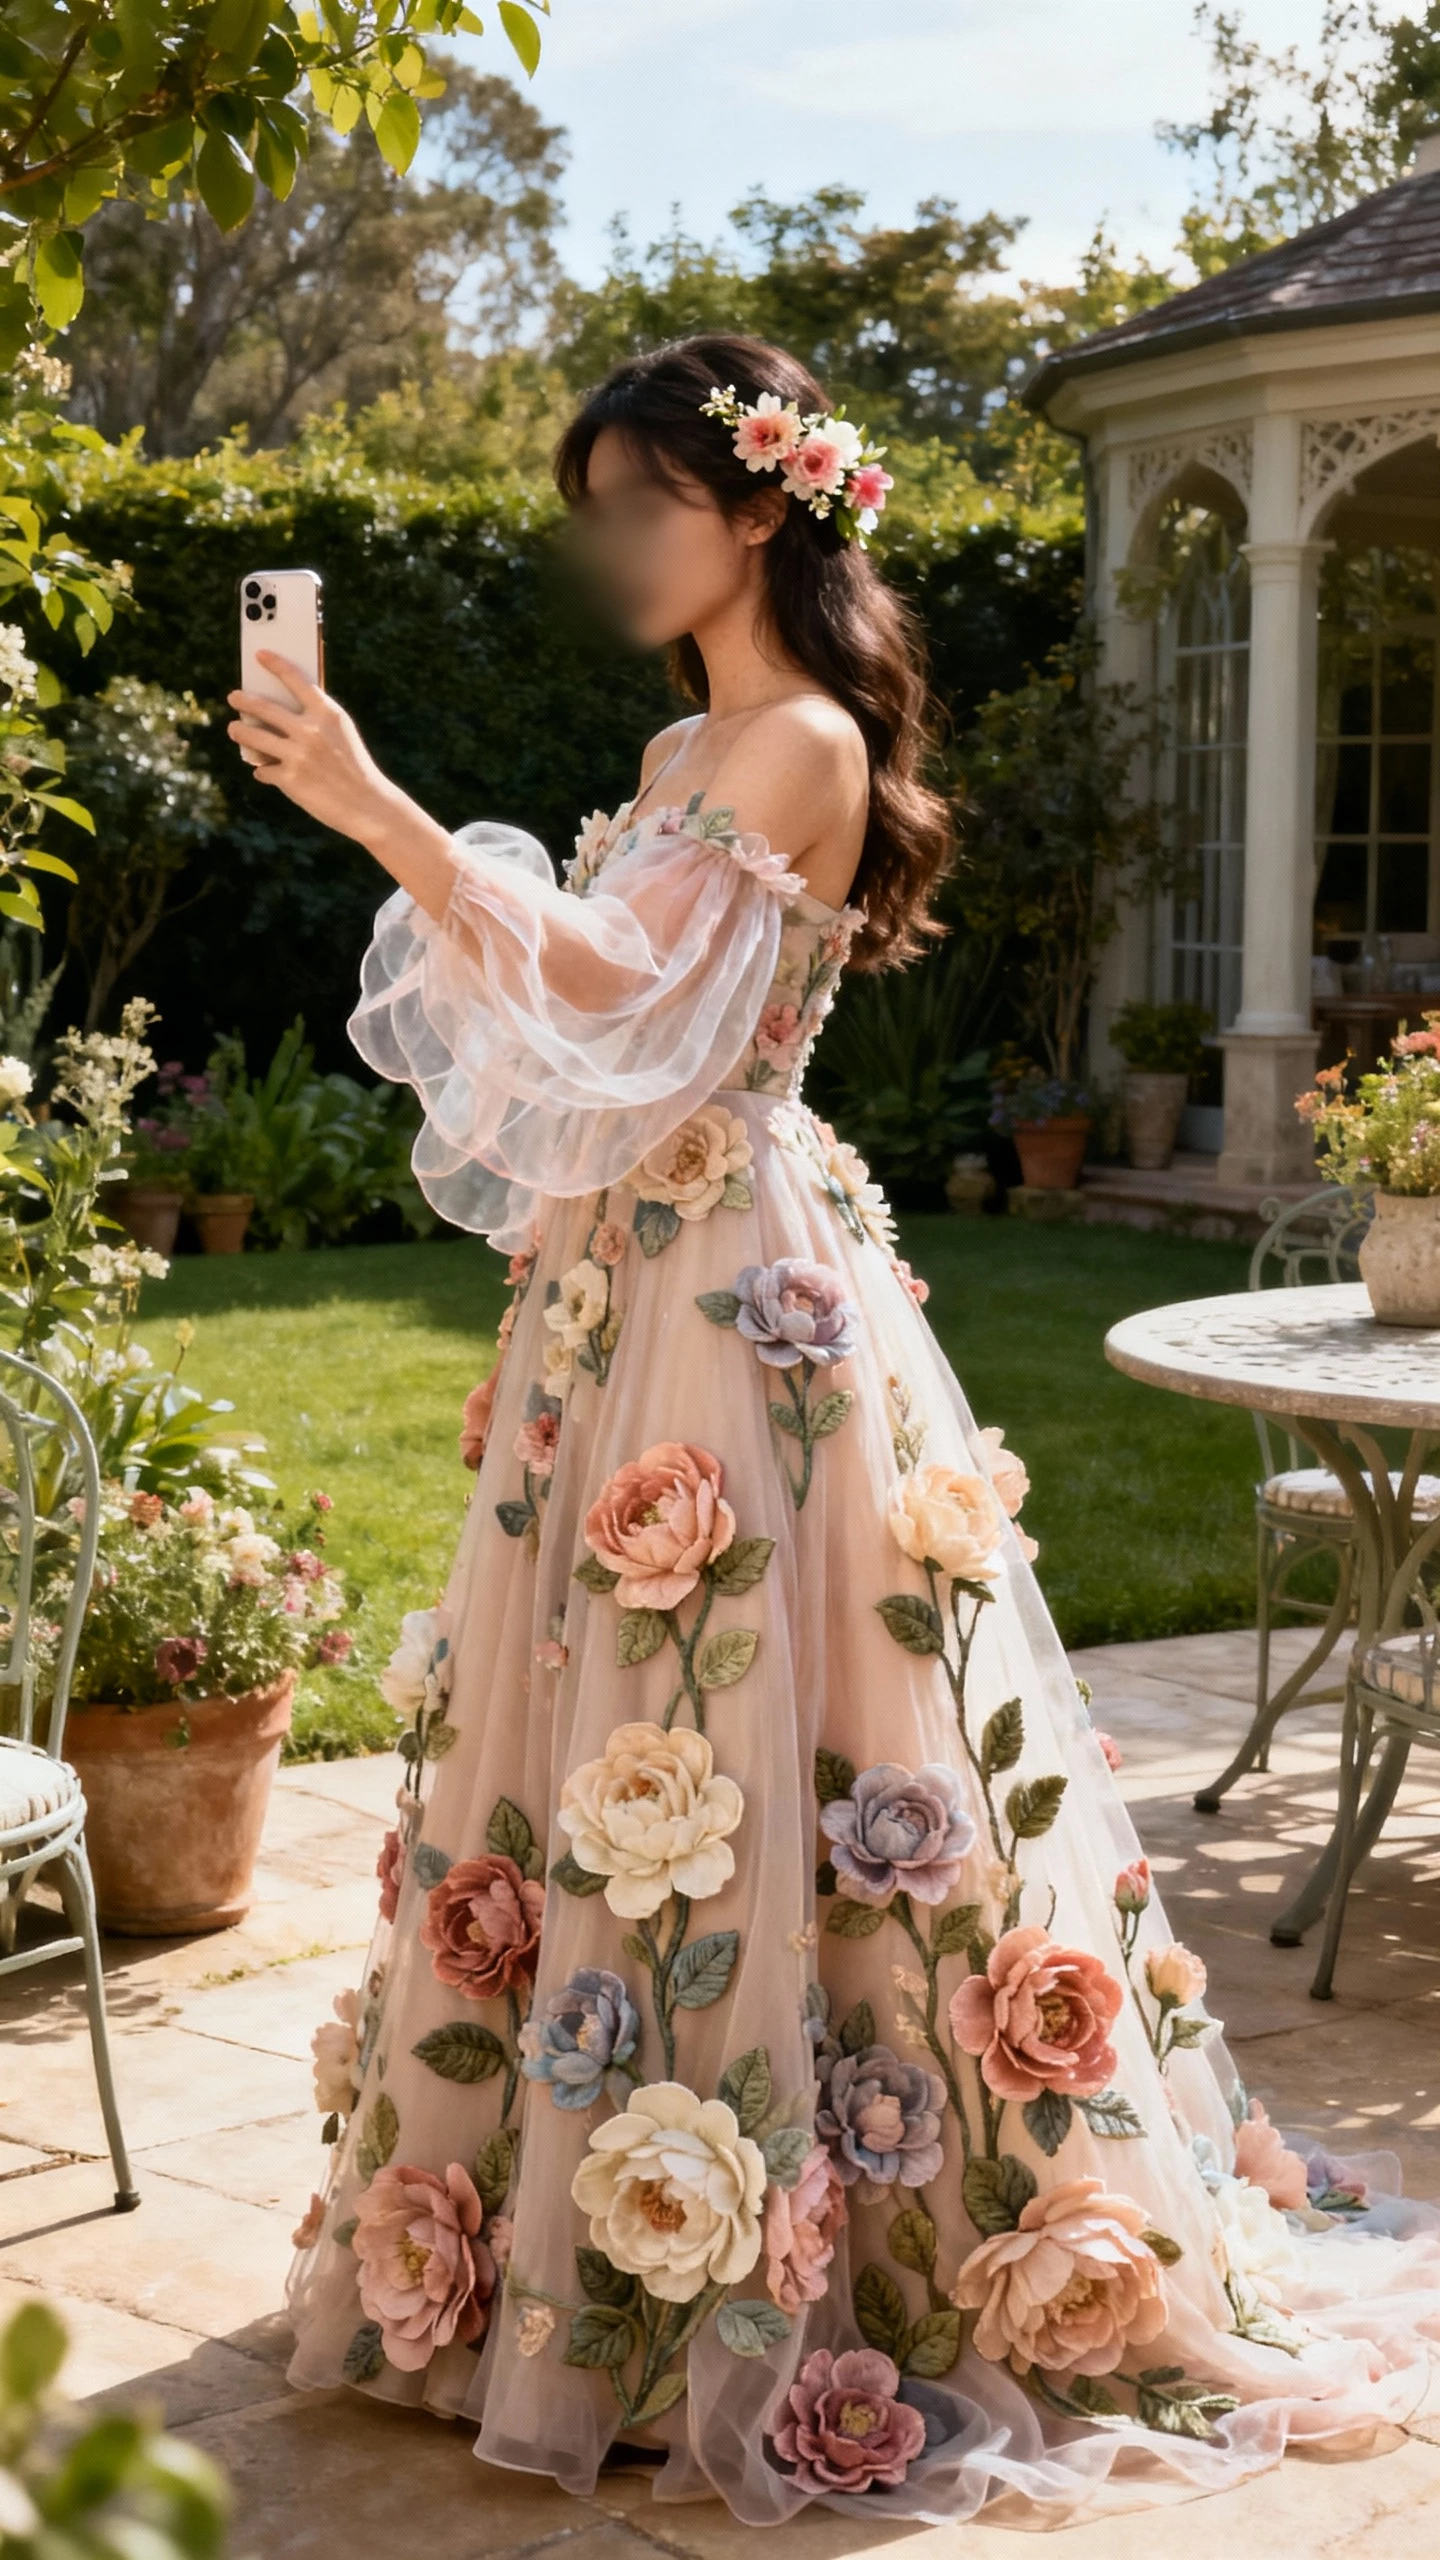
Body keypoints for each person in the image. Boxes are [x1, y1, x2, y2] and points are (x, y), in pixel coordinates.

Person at [229, 335, 1439, 2527]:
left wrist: (379, 807)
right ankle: (582, 2253)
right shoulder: (680, 738)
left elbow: (614, 982)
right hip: (622, 1277)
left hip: (737, 1291)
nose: (616, 545)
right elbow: (587, 1030)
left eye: (646, 503)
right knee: (612, 1719)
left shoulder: (799, 738)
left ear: (766, 506)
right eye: (596, 509)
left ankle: (817, 2241)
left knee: (767, 1721)